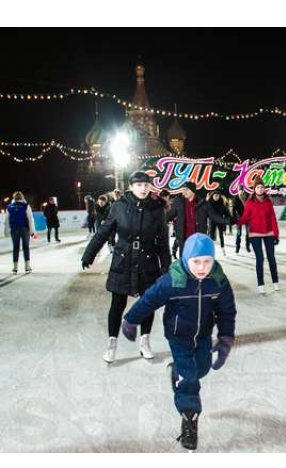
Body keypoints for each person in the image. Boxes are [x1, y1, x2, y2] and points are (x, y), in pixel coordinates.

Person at [122, 233, 236, 451]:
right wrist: (131, 320)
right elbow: (149, 300)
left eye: (207, 262)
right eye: (196, 262)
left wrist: (225, 338)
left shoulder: (218, 281)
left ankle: (177, 373)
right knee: (190, 378)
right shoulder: (173, 280)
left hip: (203, 334)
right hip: (178, 336)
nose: (202, 267)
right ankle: (190, 418)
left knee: (201, 369)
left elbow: (226, 311)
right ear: (186, 260)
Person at [81, 171, 171, 363]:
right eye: (139, 185)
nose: (143, 188)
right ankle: (112, 343)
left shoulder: (157, 209)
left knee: (148, 303)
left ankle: (144, 341)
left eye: (146, 185)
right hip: (124, 260)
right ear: (130, 186)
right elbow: (104, 231)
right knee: (117, 304)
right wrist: (90, 253)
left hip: (148, 261)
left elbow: (163, 241)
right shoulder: (119, 206)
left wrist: (166, 266)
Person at [237, 177, 280, 294]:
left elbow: (273, 218)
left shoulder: (268, 201)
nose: (260, 189)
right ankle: (261, 283)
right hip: (255, 233)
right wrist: (237, 221)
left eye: (262, 187)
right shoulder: (250, 202)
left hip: (269, 233)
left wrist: (276, 234)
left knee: (271, 258)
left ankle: (275, 281)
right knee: (260, 259)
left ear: (264, 188)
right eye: (258, 187)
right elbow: (245, 217)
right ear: (254, 189)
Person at [167, 182, 227, 258]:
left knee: (197, 261)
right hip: (184, 239)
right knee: (184, 261)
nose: (184, 192)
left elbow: (215, 217)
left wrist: (229, 220)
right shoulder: (178, 202)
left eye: (186, 190)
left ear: (193, 191)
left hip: (198, 239)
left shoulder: (202, 203)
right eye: (183, 190)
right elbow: (169, 215)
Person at [4, 191, 35, 274]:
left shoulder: (9, 207)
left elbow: (6, 220)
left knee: (15, 248)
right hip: (24, 229)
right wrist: (32, 231)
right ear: (22, 197)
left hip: (14, 229)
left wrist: (6, 230)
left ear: (14, 197)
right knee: (26, 247)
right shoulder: (26, 206)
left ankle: (15, 267)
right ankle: (27, 266)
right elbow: (30, 219)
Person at [207, 189, 230, 256]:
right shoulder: (209, 203)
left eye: (218, 196)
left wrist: (227, 221)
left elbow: (226, 213)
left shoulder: (221, 204)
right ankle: (209, 250)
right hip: (212, 221)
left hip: (220, 221)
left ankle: (223, 248)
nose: (216, 197)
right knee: (211, 235)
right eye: (215, 196)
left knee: (221, 235)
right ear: (212, 196)